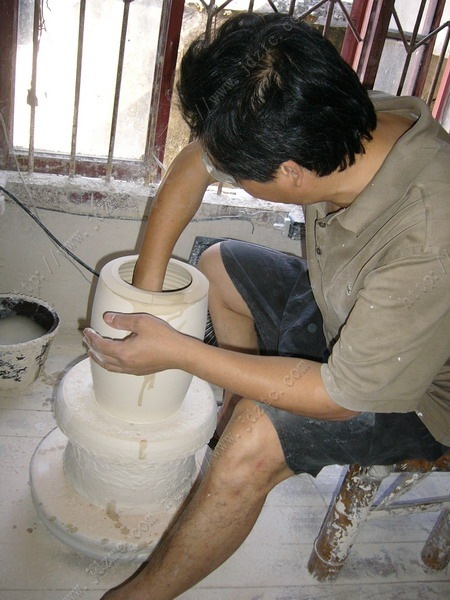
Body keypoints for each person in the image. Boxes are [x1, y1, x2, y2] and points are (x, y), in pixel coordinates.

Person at [83, 12, 450, 600]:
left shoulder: (430, 235)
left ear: (290, 173)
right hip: (347, 303)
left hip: (419, 389)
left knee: (254, 441)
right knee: (218, 266)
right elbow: (196, 162)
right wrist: (146, 291)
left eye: (243, 175)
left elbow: (339, 397)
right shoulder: (340, 117)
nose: (228, 175)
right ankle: (234, 414)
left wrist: (179, 352)